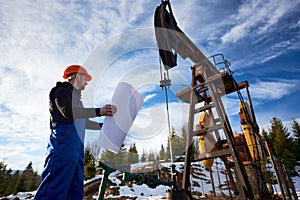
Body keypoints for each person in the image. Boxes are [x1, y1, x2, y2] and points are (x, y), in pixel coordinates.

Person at [34, 65, 117, 200]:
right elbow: (68, 112)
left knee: (75, 192)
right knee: (54, 190)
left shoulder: (78, 101)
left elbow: (83, 123)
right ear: (78, 76)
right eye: (85, 79)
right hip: (62, 151)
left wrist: (106, 126)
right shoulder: (60, 92)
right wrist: (98, 111)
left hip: (76, 154)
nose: (87, 83)